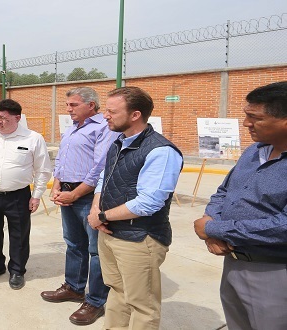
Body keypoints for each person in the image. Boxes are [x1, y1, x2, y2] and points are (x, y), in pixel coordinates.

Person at [87, 86, 183, 329]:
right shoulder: (118, 142)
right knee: (117, 292)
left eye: (111, 111)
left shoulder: (161, 151)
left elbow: (149, 202)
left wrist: (101, 216)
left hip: (139, 238)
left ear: (135, 115)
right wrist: (95, 212)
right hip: (109, 233)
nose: (105, 116)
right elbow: (104, 179)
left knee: (142, 305)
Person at [193, 81, 287, 329]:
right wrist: (210, 224)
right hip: (233, 262)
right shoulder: (254, 151)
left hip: (273, 271)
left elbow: (283, 226)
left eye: (254, 118)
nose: (246, 124)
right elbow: (225, 191)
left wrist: (213, 230)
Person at [41, 87, 117, 326]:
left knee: (95, 251)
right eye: (68, 105)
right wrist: (56, 186)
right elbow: (61, 160)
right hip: (68, 193)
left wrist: (75, 194)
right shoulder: (72, 128)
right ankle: (74, 287)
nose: (68, 109)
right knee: (73, 244)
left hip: (88, 196)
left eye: (73, 105)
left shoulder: (103, 128)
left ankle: (95, 301)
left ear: (91, 105)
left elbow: (100, 167)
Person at [0, 99, 52, 290]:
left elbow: (43, 170)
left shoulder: (32, 138)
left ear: (17, 118)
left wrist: (37, 195)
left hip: (19, 195)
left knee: (19, 234)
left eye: (4, 118)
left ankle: (17, 270)